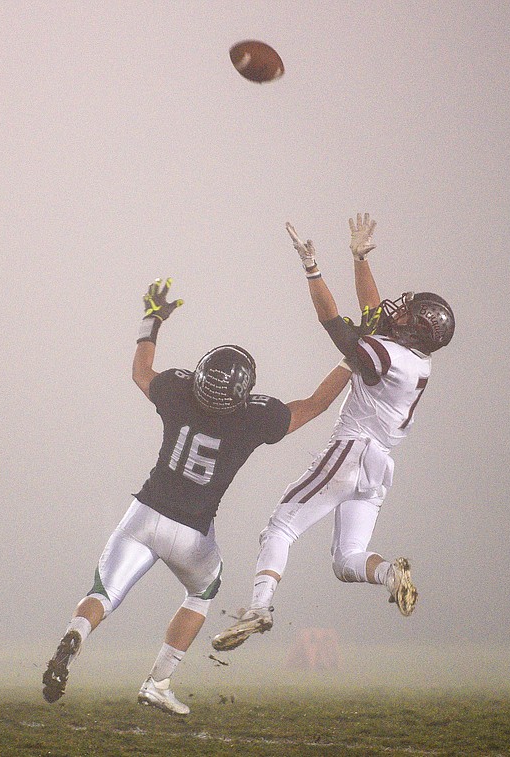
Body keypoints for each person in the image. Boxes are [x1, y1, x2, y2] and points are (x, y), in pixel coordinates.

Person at [42, 277, 351, 715]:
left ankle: (76, 635)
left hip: (143, 513)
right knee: (203, 592)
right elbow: (316, 404)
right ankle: (158, 681)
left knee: (103, 592)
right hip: (191, 534)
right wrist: (349, 360)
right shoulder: (254, 418)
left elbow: (140, 372)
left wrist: (152, 320)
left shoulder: (178, 392)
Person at [211, 213, 456, 653]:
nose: (399, 311)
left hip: (353, 451)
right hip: (379, 467)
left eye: (409, 313)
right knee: (347, 562)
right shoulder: (418, 360)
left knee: (280, 528)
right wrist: (359, 259)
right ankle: (390, 574)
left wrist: (313, 269)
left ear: (416, 329)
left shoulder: (386, 355)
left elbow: (333, 320)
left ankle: (258, 608)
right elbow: (376, 313)